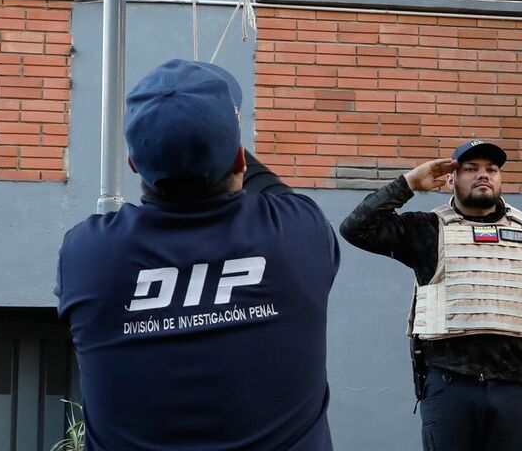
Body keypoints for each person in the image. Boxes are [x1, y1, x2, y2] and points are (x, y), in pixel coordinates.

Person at [56, 59, 340, 450]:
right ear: (240, 157)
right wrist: (220, 130)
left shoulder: (86, 254)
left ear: (134, 164)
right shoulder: (300, 231)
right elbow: (271, 187)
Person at [339, 141, 522, 451]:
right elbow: (356, 228)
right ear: (450, 180)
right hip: (448, 384)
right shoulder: (427, 229)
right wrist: (409, 183)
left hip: (512, 386)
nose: (483, 175)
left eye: (492, 170)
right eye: (470, 169)